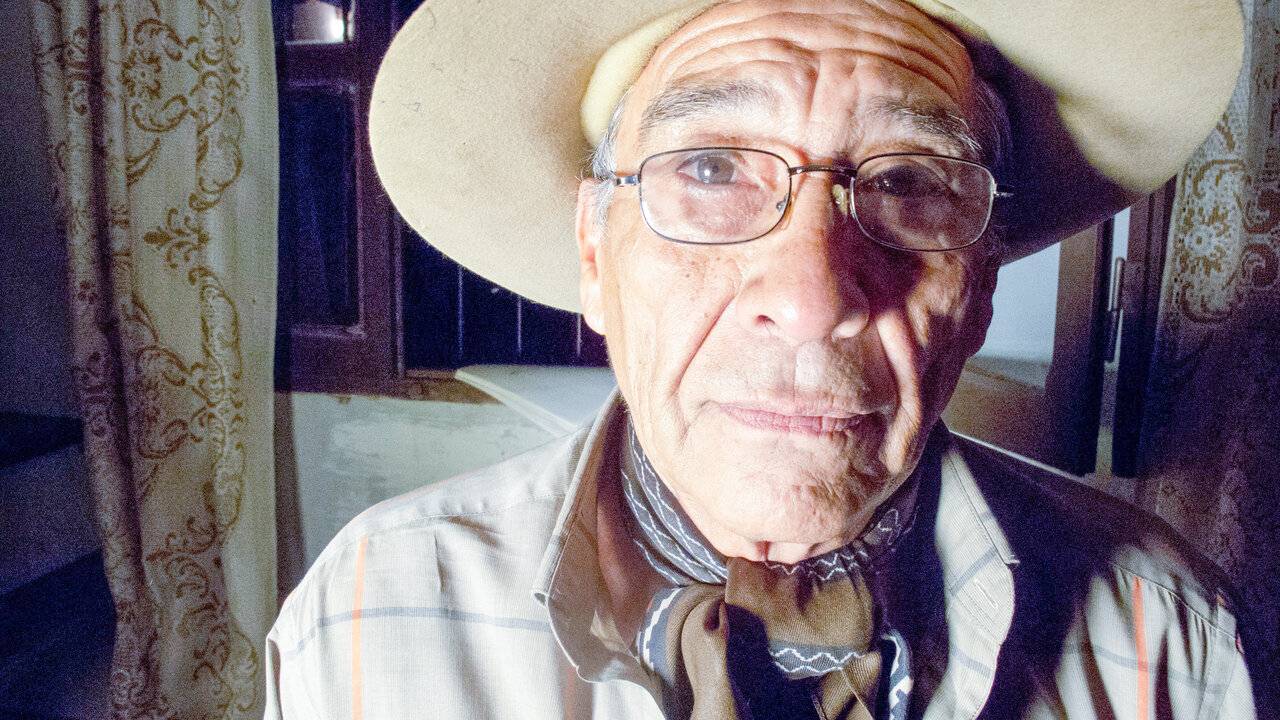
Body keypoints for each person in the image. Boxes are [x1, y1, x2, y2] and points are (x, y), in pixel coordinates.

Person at [264, 0, 1257, 717]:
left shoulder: (1167, 641)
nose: (813, 298)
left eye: (908, 180)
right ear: (595, 255)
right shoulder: (372, 609)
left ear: (981, 282)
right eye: (709, 169)